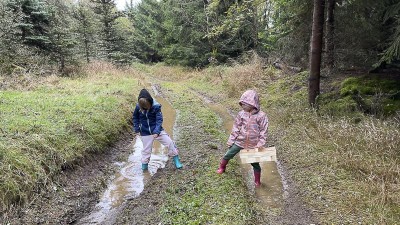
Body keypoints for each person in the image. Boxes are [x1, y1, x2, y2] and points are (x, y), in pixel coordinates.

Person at [216, 89, 268, 187]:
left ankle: (257, 181)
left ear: (252, 104)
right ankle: (222, 167)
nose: (242, 106)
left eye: (244, 104)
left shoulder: (261, 116)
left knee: (255, 163)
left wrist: (260, 145)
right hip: (240, 141)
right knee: (228, 154)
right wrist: (231, 140)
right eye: (242, 104)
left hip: (253, 144)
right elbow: (236, 128)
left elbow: (263, 131)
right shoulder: (241, 114)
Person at [133, 88, 183, 170]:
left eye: (147, 106)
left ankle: (176, 160)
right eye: (144, 107)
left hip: (157, 130)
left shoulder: (156, 106)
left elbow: (159, 120)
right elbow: (135, 117)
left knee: (169, 142)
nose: (146, 108)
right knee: (146, 151)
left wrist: (156, 131)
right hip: (145, 132)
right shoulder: (138, 107)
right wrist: (137, 129)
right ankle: (144, 167)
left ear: (150, 102)